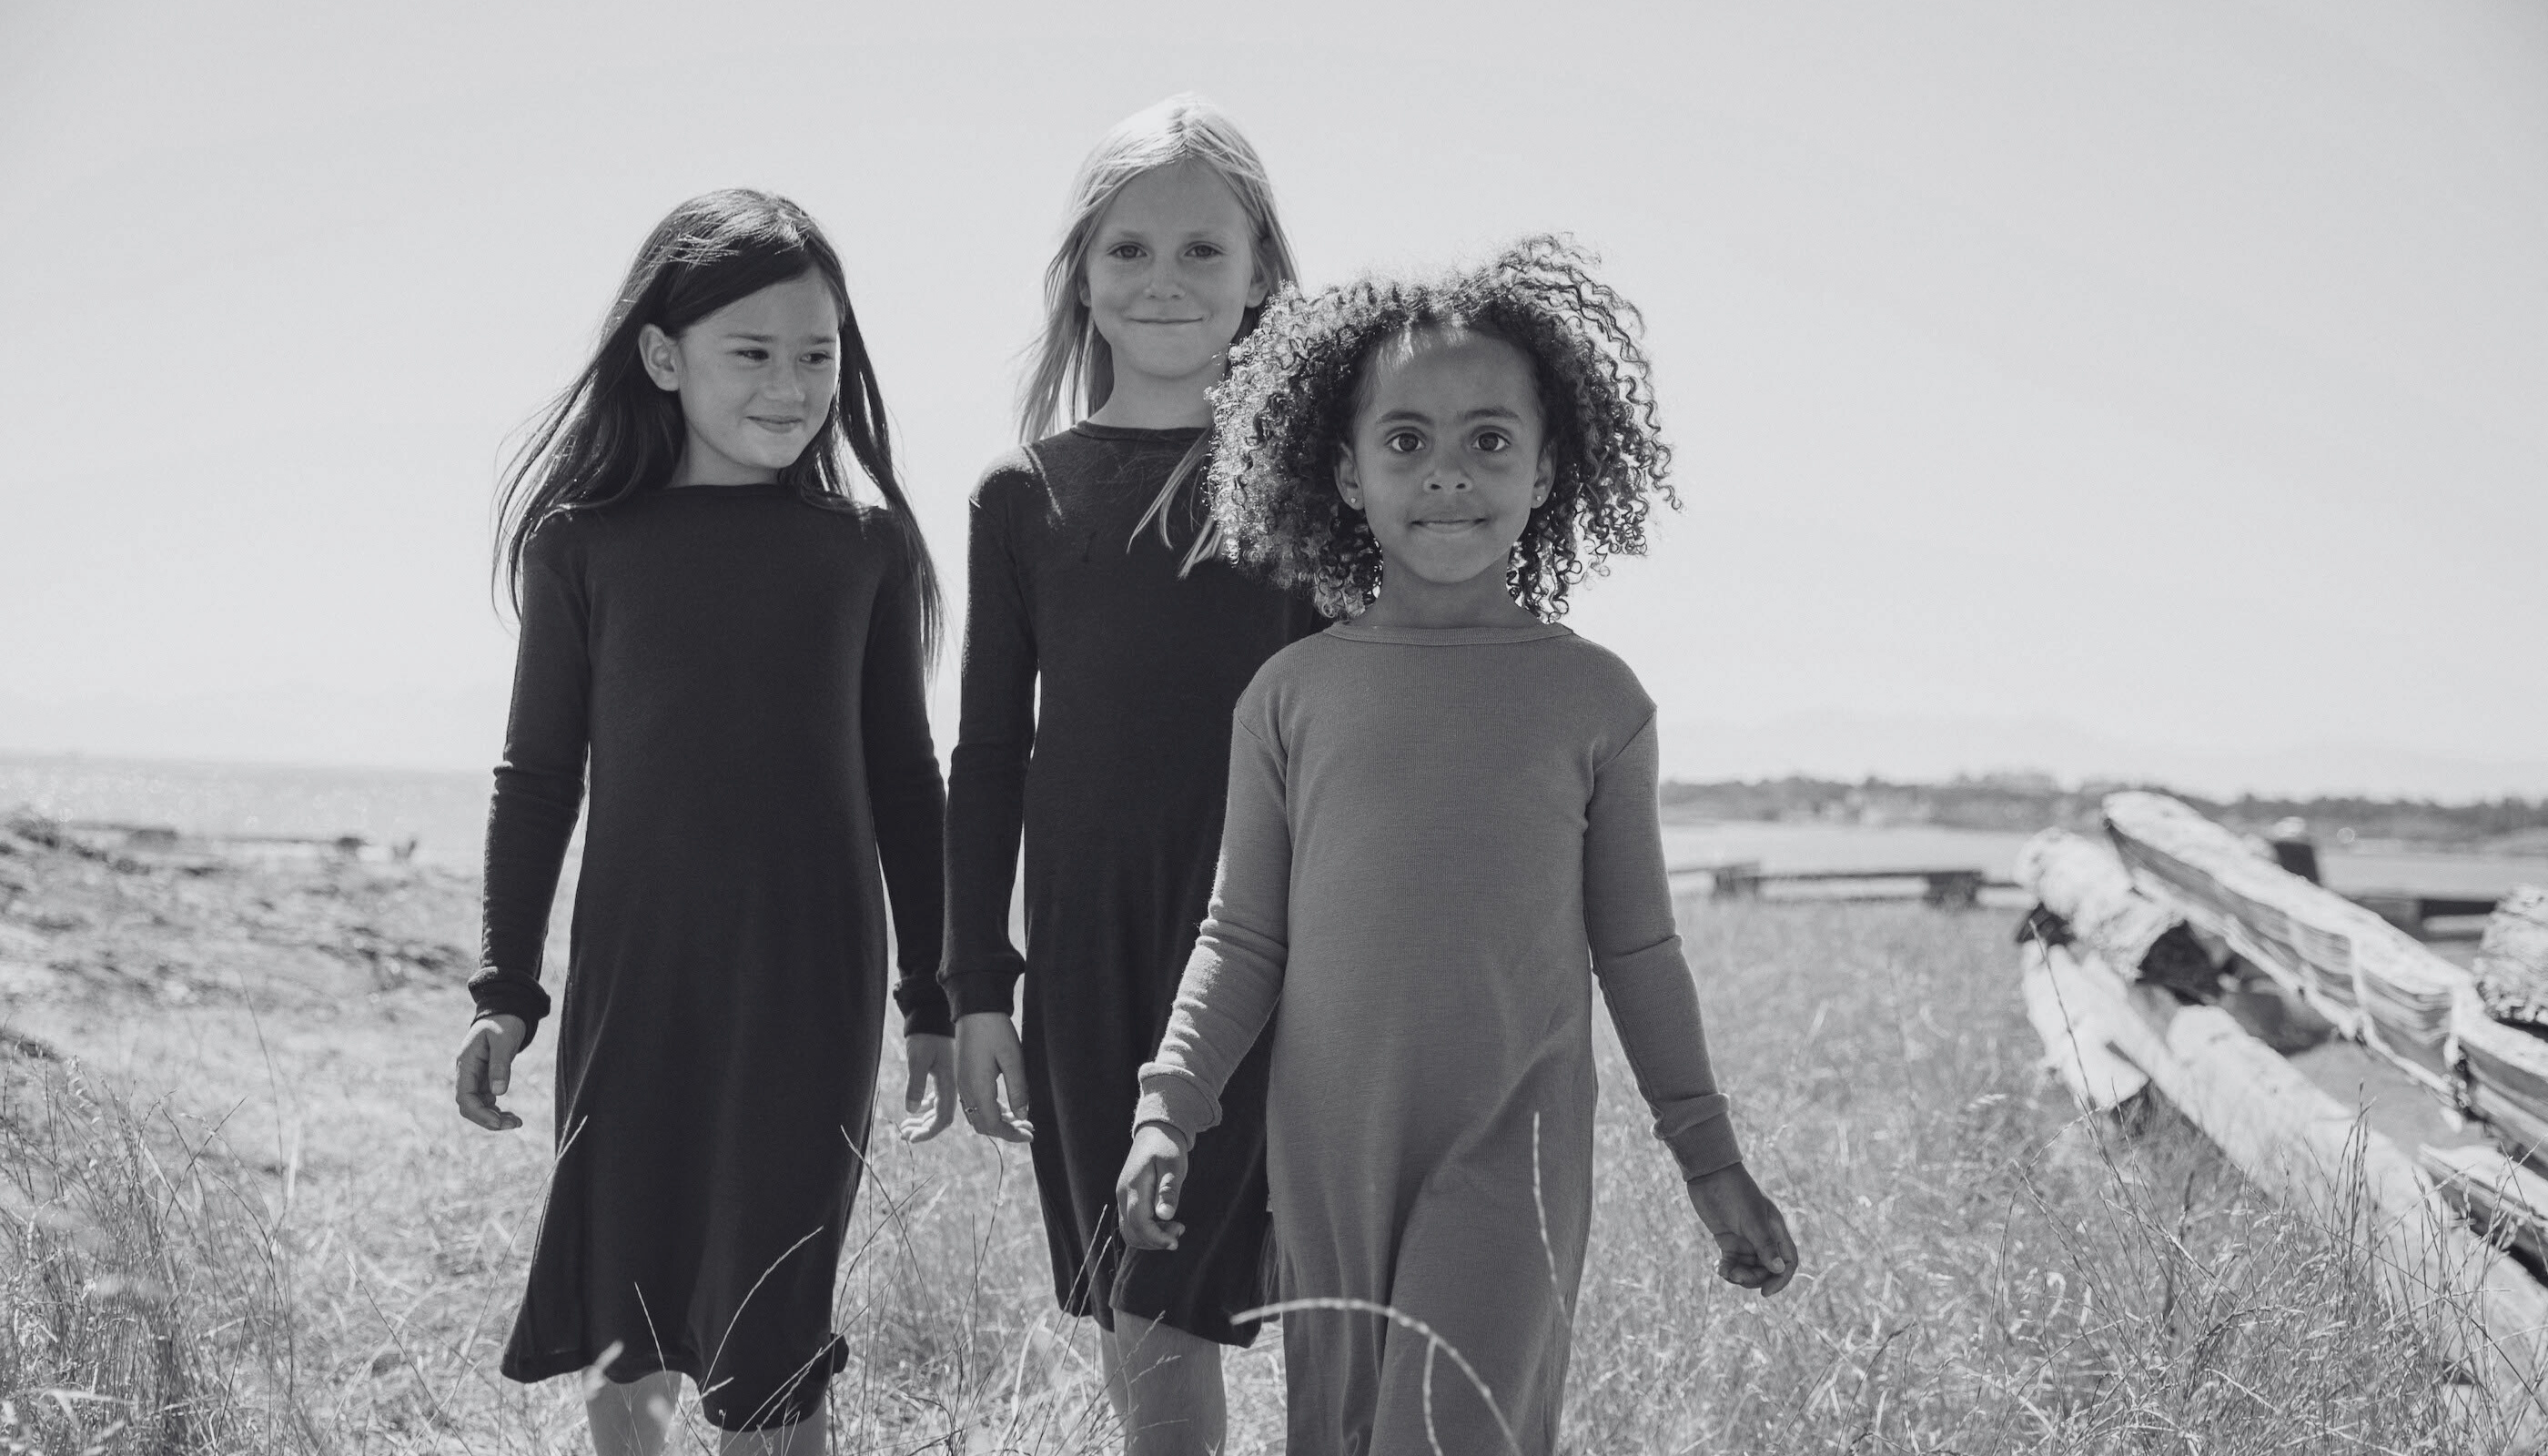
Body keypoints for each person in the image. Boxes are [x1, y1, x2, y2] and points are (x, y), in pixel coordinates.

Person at [1116, 238, 1800, 1454]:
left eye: (1490, 439)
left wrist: (1708, 1159)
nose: (1448, 474)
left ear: (1549, 471)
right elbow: (1244, 934)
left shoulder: (1595, 700)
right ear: (1341, 467)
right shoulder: (1291, 696)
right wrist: (1170, 1106)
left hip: (1516, 1141)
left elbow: (1639, 949)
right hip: (1329, 1147)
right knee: (1343, 1433)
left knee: (1448, 1433)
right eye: (1406, 440)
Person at [452, 189, 954, 1455]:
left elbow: (908, 782)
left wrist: (933, 998)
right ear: (663, 358)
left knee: (773, 1329)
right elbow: (536, 774)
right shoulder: (582, 549)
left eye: (818, 354)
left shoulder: (864, 550)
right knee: (627, 1315)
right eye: (754, 353)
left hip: (811, 984)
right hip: (640, 979)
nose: (792, 386)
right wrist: (506, 986)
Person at [939, 94, 1319, 1454]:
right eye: (1129, 251)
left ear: (1264, 271)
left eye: (1204, 251)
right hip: (1095, 962)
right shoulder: (1021, 499)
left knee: (1326, 1303)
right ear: (1080, 279)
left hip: (1289, 941)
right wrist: (975, 987)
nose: (1166, 281)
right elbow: (987, 760)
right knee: (1146, 1317)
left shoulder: (1324, 490)